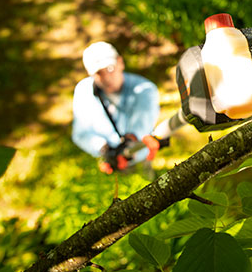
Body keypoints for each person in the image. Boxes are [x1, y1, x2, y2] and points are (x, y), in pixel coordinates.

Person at [72, 41, 177, 174]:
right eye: (99, 73)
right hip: (108, 164)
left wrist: (129, 142)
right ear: (90, 74)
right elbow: (80, 133)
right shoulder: (84, 91)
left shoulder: (144, 89)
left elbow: (142, 122)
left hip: (139, 158)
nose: (107, 78)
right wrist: (104, 149)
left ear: (120, 62)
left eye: (110, 68)